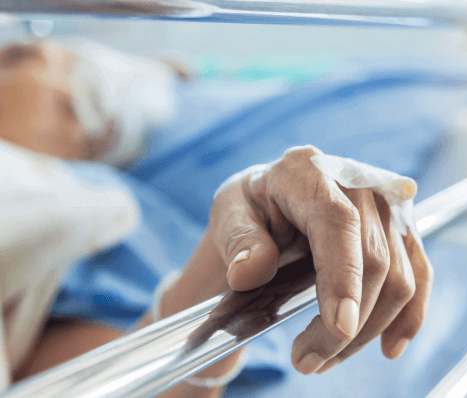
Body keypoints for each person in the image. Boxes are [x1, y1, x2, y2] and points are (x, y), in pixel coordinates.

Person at [0, 39, 433, 398]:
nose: (51, 78)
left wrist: (238, 243)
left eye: (80, 105)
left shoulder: (89, 206)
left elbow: (112, 383)